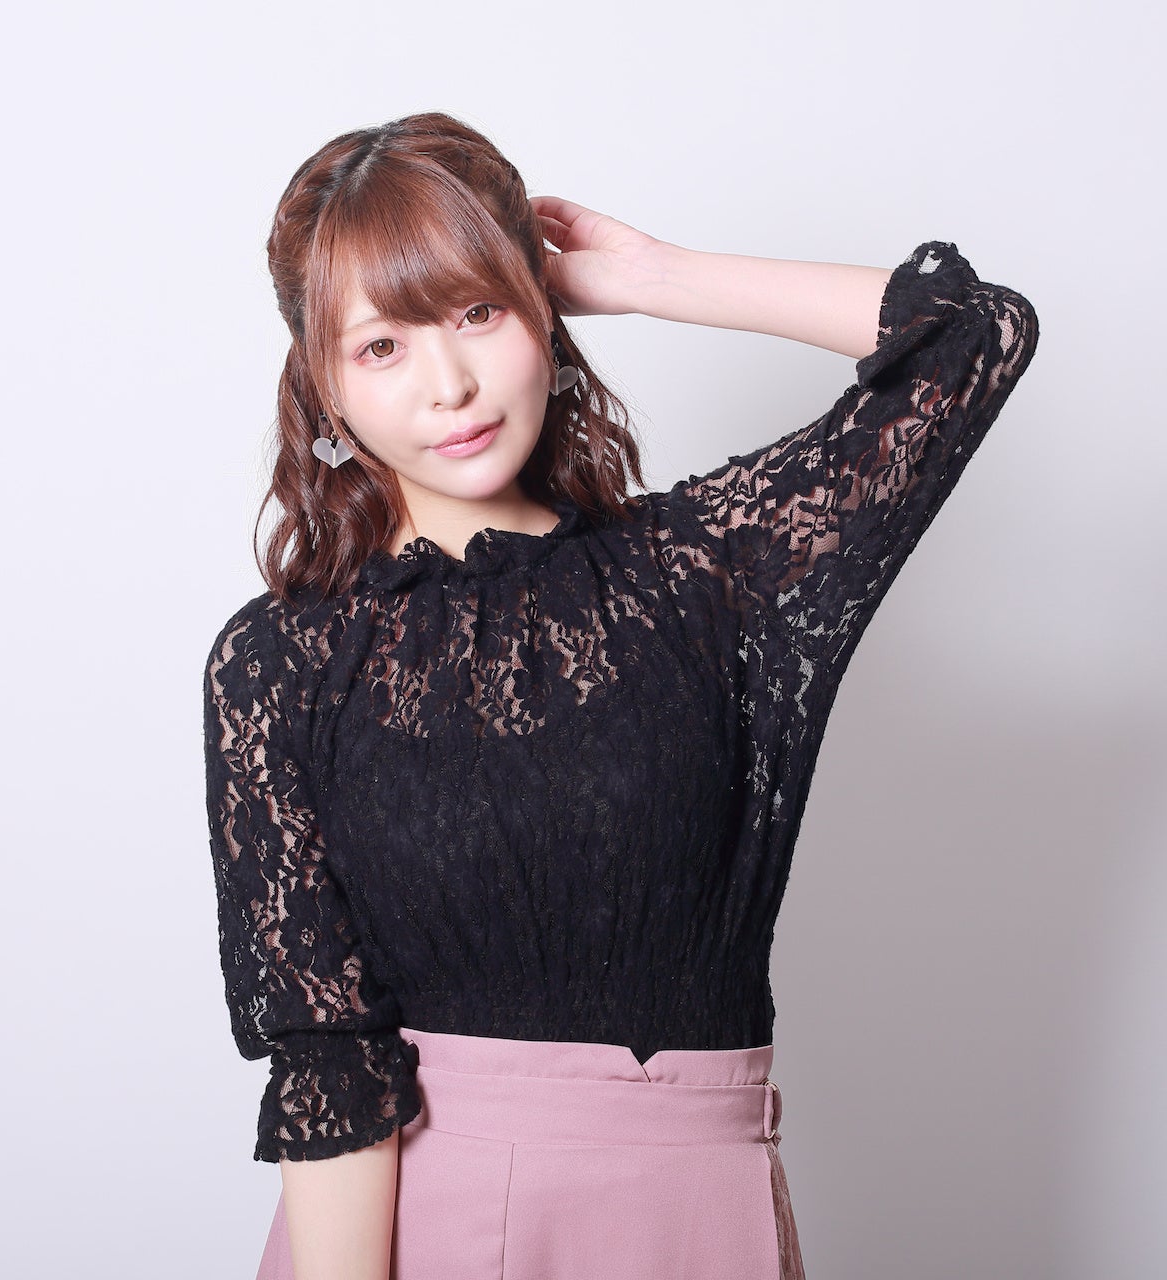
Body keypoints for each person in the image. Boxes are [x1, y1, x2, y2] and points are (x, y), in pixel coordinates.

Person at [201, 111, 1039, 1280]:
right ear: (325, 387)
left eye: (477, 312)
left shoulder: (704, 573)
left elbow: (973, 333)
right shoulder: (283, 660)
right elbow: (326, 1056)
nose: (448, 385)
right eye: (381, 345)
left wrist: (653, 278)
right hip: (424, 1220)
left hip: (696, 1211)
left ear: (541, 311)